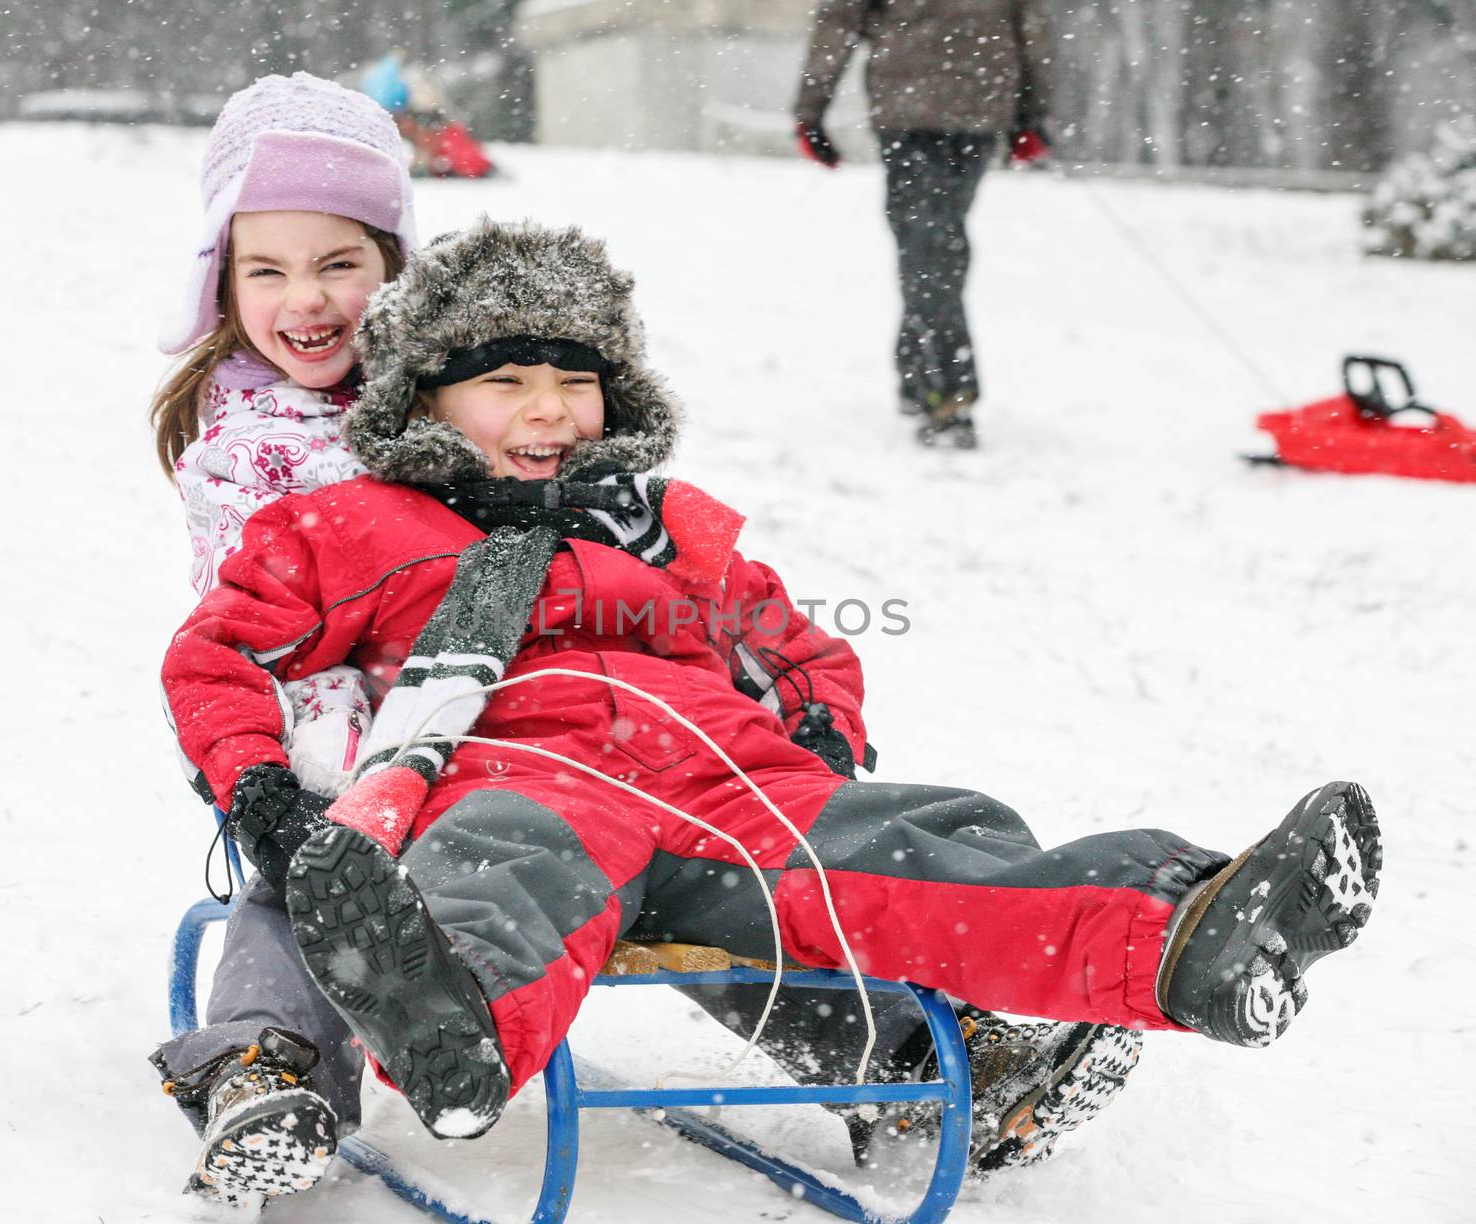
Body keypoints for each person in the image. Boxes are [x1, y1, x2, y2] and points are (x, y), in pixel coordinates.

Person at [158, 221, 1382, 1166]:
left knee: (923, 845)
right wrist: (261, 790)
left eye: (574, 383)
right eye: (505, 382)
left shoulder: (667, 530)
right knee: (497, 879)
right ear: (421, 401)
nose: (547, 412)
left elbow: (799, 643)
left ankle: (1177, 935)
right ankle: (452, 1025)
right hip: (520, 778)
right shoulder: (349, 524)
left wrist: (816, 728)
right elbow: (214, 655)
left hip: (735, 782)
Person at [144, 70, 414, 1203]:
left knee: (666, 856)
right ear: (225, 281)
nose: (307, 298)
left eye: (339, 263)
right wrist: (280, 785)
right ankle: (264, 1064)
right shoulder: (243, 446)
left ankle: (881, 1040)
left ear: (396, 269)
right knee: (314, 872)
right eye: (269, 270)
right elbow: (255, 637)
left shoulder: (470, 396)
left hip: (486, 718)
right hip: (302, 724)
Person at [793, 0, 1056, 448]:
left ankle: (946, 389)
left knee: (928, 246)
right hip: (978, 104)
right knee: (937, 243)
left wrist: (811, 110)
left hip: (910, 108)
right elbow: (1031, 28)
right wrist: (1032, 113)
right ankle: (921, 372)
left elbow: (839, 20)